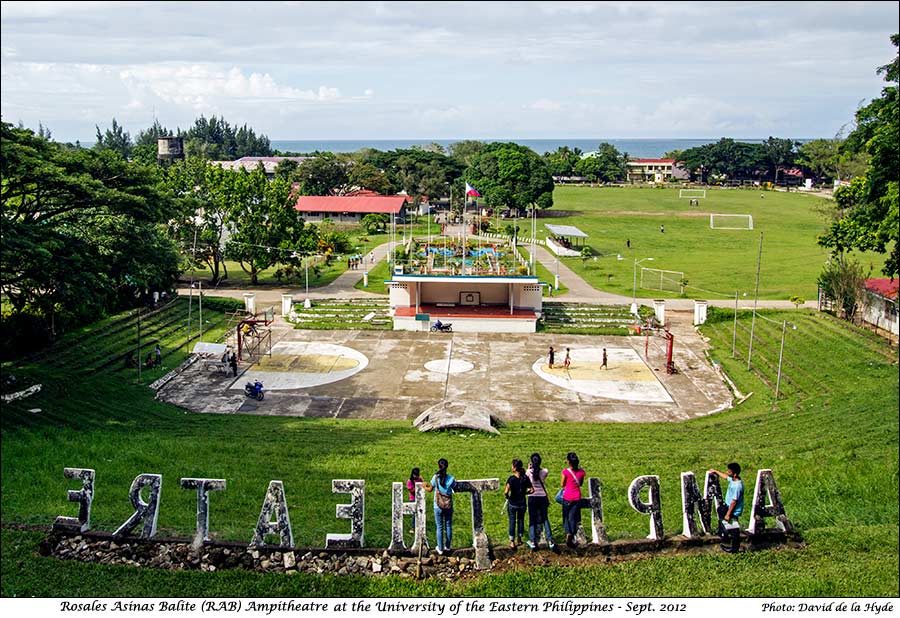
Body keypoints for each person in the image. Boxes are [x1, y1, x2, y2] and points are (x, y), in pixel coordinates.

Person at [709, 463, 744, 553]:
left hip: (733, 509)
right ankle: (722, 533)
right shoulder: (733, 480)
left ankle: (734, 548)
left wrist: (728, 514)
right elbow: (725, 477)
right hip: (728, 506)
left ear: (734, 474)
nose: (727, 473)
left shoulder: (737, 486)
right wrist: (716, 471)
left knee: (734, 529)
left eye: (729, 472)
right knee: (720, 511)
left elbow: (734, 501)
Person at [424, 458, 456, 555]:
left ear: (439, 466)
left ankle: (440, 548)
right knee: (448, 525)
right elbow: (455, 487)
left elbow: (430, 489)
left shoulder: (435, 478)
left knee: (439, 527)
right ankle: (448, 546)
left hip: (437, 505)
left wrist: (424, 486)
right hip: (448, 505)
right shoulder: (451, 479)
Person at [525, 453, 556, 551]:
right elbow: (546, 470)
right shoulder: (544, 472)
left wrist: (529, 467)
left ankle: (532, 540)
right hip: (542, 496)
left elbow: (527, 476)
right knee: (545, 518)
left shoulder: (529, 472)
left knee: (532, 519)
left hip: (532, 497)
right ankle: (550, 540)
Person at [504, 459, 532, 548]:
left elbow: (506, 491)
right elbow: (532, 490)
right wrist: (525, 493)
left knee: (512, 521)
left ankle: (512, 541)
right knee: (521, 520)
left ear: (515, 468)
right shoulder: (525, 478)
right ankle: (519, 539)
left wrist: (507, 497)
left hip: (513, 503)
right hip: (522, 503)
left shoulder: (511, 479)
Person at [560, 452, 586, 548]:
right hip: (576, 497)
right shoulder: (581, 472)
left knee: (566, 517)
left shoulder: (565, 472)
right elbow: (581, 483)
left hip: (567, 496)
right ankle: (572, 535)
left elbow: (562, 484)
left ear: (568, 462)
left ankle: (568, 533)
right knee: (572, 518)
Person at [407, 467, 424, 531]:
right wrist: (418, 488)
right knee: (414, 513)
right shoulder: (410, 481)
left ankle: (420, 525)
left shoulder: (419, 479)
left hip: (419, 498)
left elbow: (423, 484)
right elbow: (410, 490)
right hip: (413, 498)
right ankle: (413, 527)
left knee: (420, 511)